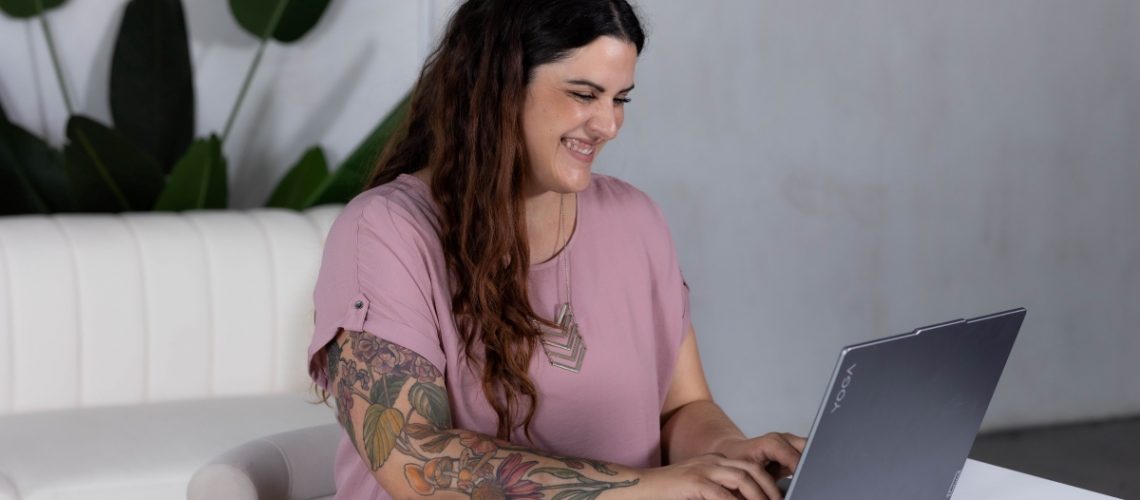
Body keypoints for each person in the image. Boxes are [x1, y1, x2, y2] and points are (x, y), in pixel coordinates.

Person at [308, 1, 805, 498]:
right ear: (497, 85)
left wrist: (729, 453)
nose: (608, 125)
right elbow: (411, 458)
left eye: (620, 99)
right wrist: (646, 488)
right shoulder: (385, 232)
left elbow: (682, 408)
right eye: (584, 94)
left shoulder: (637, 220)